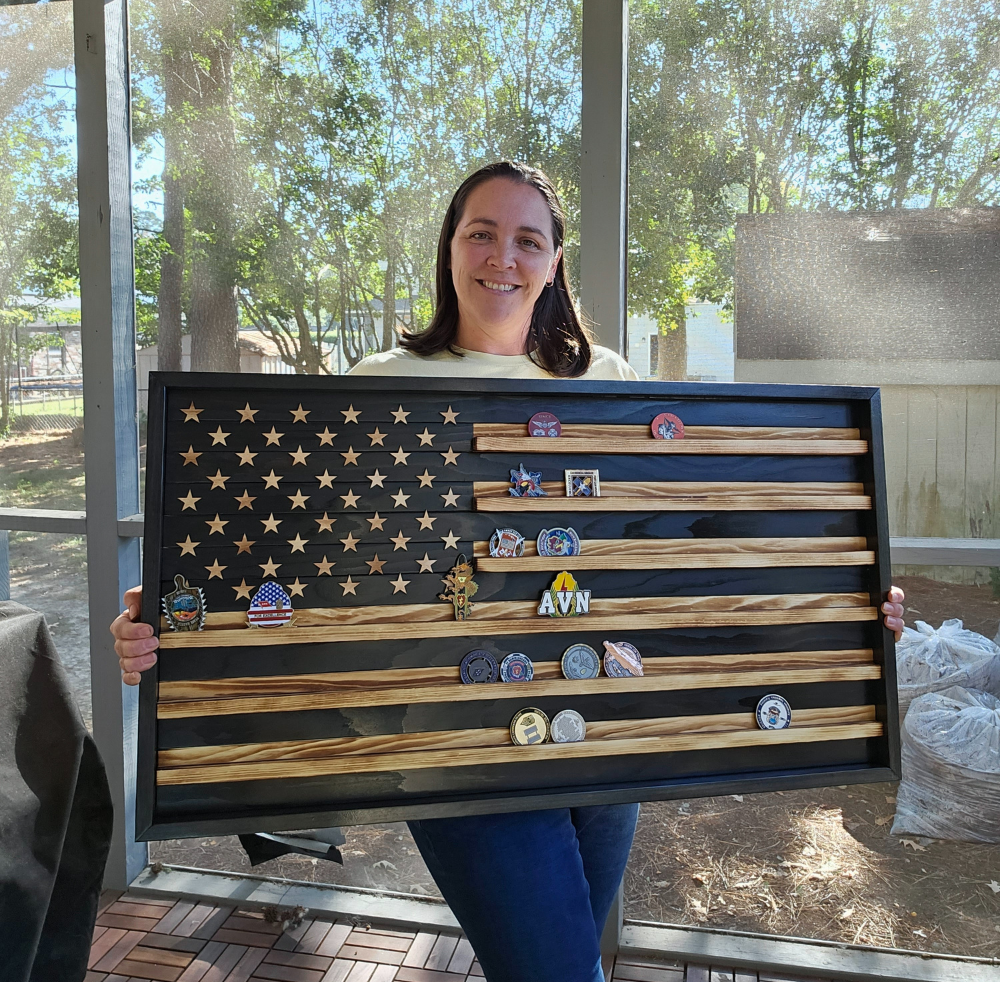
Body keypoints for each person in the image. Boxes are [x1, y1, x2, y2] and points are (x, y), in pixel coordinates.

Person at [111, 160, 907, 981]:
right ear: (450, 248)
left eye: (528, 239)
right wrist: (172, 616)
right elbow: (301, 565)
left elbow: (679, 548)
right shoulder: (377, 387)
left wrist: (846, 604)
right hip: (450, 741)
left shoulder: (611, 382)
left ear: (555, 261)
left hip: (602, 737)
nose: (504, 257)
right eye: (481, 233)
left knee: (555, 965)